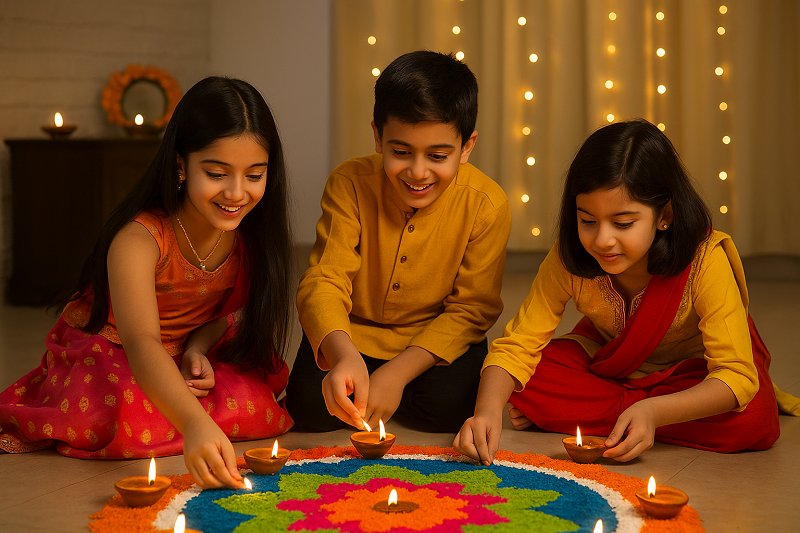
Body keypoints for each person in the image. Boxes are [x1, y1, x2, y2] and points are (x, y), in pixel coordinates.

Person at [0, 77, 294, 488]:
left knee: (258, 407)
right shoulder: (139, 240)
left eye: (254, 175)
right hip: (120, 351)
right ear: (180, 165)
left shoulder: (247, 238)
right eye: (216, 173)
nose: (236, 192)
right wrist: (193, 424)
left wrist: (198, 347)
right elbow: (142, 343)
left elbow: (227, 315)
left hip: (182, 350)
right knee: (123, 415)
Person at [454, 118, 797, 466]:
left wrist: (652, 410)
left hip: (693, 374)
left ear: (664, 215)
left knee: (752, 416)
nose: (602, 240)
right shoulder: (569, 255)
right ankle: (635, 420)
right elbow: (518, 345)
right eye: (588, 221)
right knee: (528, 377)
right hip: (612, 367)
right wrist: (485, 413)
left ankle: (632, 418)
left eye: (622, 223)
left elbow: (735, 374)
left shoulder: (706, 258)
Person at [288, 50, 511, 433]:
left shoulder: (488, 204)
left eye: (438, 155)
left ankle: (383, 390)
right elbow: (325, 280)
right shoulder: (349, 183)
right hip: (354, 333)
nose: (418, 172)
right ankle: (368, 387)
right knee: (307, 407)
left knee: (450, 408)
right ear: (377, 136)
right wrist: (344, 355)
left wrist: (397, 374)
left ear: (467, 146)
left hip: (430, 340)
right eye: (401, 152)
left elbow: (472, 310)